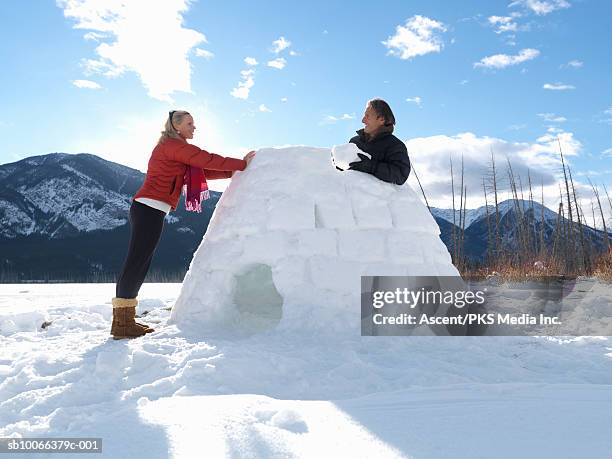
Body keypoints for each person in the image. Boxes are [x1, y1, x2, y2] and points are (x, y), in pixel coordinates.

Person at [111, 110, 255, 339]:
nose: (194, 127)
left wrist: (233, 171)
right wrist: (242, 163)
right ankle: (122, 324)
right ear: (176, 127)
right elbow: (205, 158)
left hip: (152, 209)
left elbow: (204, 170)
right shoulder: (173, 146)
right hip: (148, 208)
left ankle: (125, 321)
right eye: (190, 123)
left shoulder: (176, 149)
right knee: (136, 262)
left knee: (140, 262)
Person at [348, 98, 411, 185]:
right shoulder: (355, 141)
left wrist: (371, 166)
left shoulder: (395, 145)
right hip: (348, 194)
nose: (363, 120)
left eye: (367, 116)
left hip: (377, 197)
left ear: (381, 120)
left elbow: (400, 175)